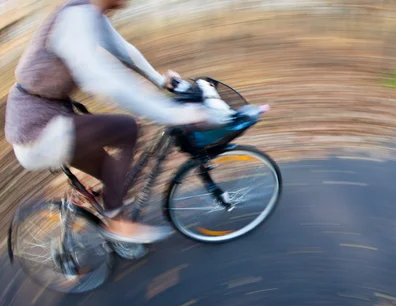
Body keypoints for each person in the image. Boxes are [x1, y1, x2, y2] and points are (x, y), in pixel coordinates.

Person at [4, 0, 231, 243]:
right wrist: (171, 114)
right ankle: (117, 222)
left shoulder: (90, 13)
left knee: (112, 172)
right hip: (37, 131)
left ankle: (101, 216)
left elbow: (123, 50)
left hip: (53, 118)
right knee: (127, 128)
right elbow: (103, 79)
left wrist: (159, 80)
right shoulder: (75, 18)